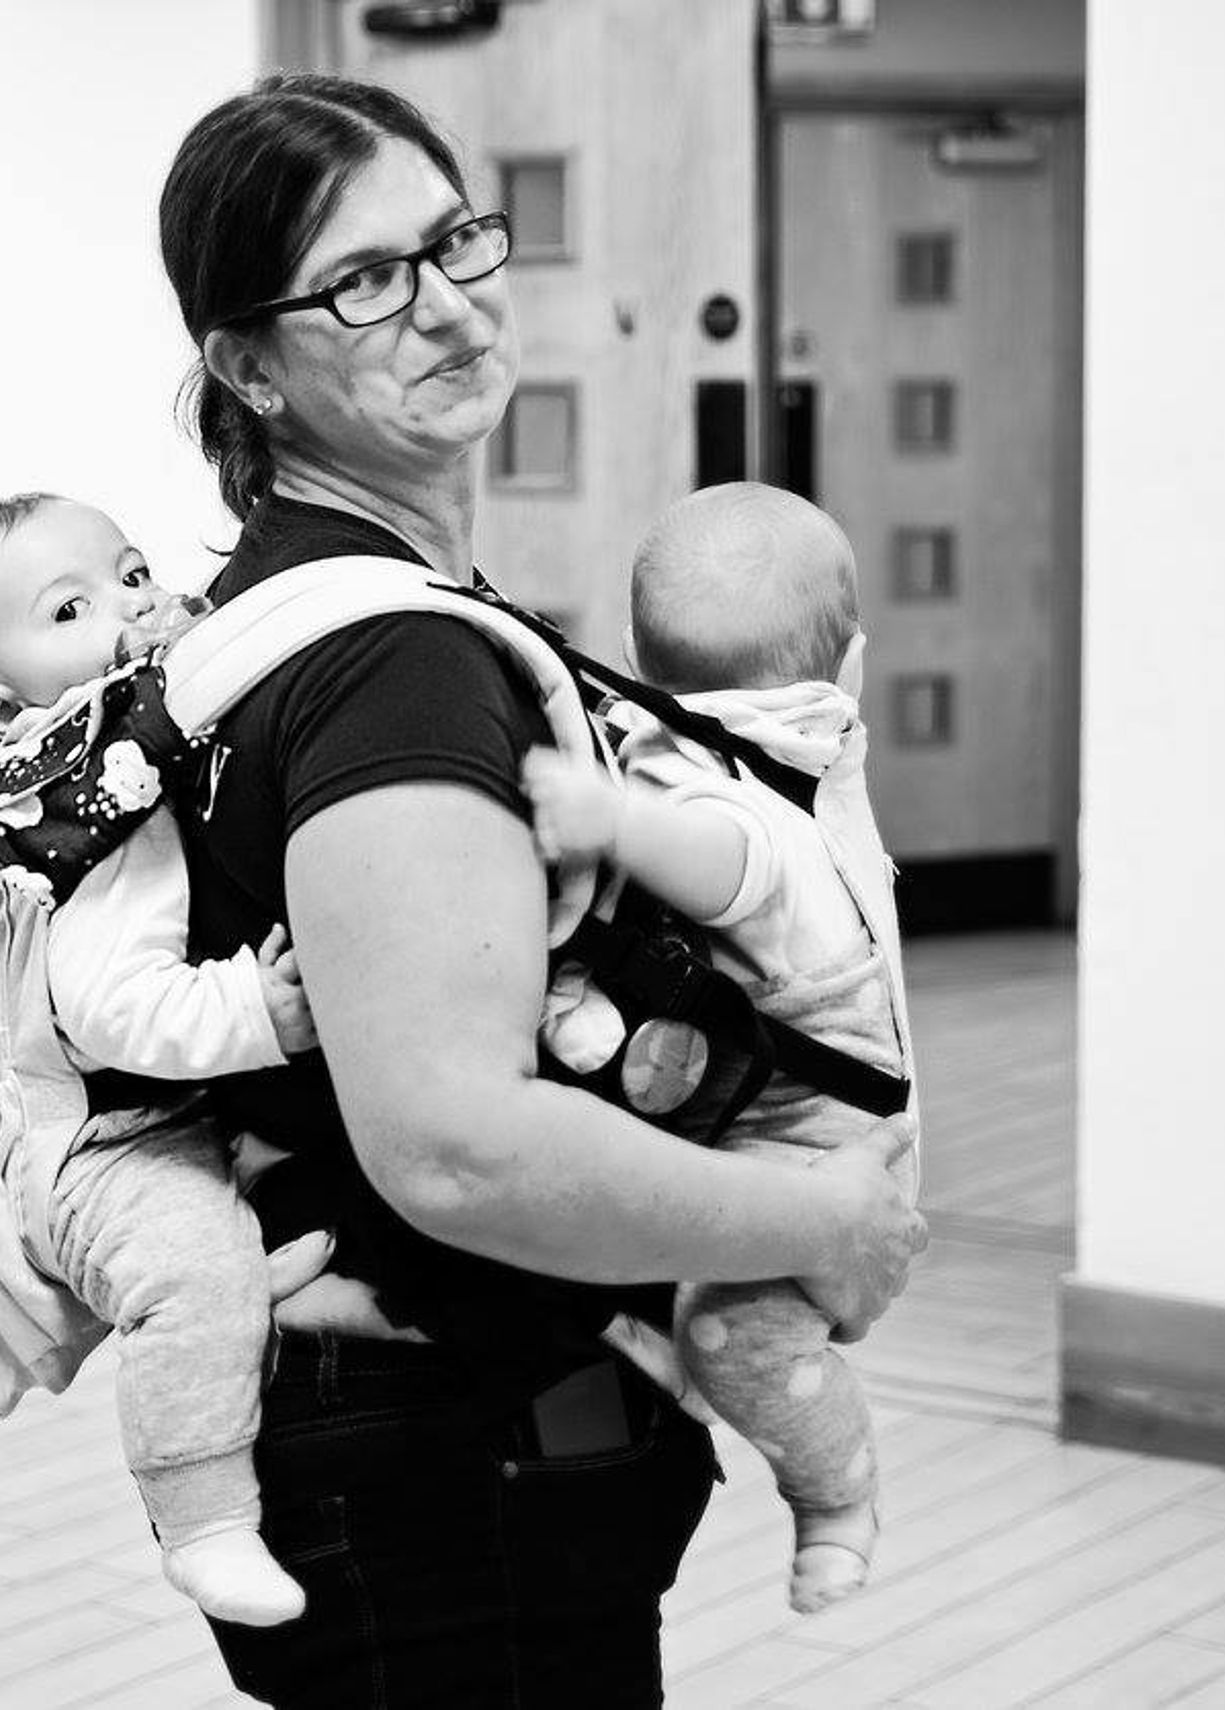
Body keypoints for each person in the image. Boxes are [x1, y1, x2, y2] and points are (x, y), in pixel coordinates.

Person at [156, 73, 926, 1704]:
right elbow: (455, 1141)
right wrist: (828, 1216)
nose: (446, 305)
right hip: (447, 1449)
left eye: (455, 243)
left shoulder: (293, 607)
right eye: (365, 282)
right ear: (249, 365)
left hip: (405, 1429)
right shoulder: (393, 667)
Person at [0, 491, 321, 1628]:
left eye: (132, 575)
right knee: (194, 1270)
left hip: (165, 1112)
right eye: (71, 608)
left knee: (258, 1244)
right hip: (94, 1141)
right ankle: (204, 1523)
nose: (131, 607)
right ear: (4, 709)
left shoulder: (133, 744)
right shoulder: (93, 809)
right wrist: (257, 1008)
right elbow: (107, 1008)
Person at [524, 482, 921, 1614]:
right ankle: (680, 1368)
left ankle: (834, 1496)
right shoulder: (799, 746)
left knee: (740, 1332)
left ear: (633, 652)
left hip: (820, 1132)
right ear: (851, 665)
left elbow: (728, 865)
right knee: (674, 1294)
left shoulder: (736, 789)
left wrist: (616, 822)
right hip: (764, 1096)